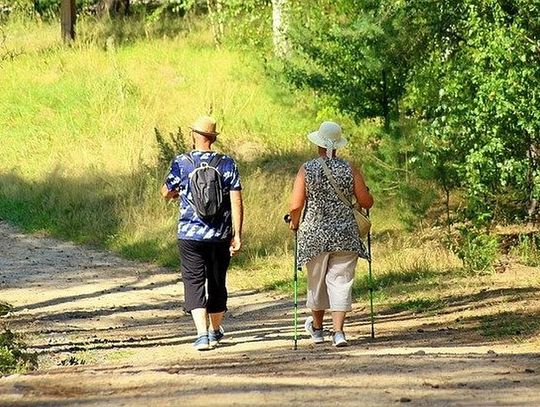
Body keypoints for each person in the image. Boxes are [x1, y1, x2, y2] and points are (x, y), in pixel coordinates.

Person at [161, 115, 243, 351]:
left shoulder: (182, 162)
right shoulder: (227, 163)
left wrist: (174, 193)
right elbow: (236, 201)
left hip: (190, 234)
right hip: (220, 234)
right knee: (217, 282)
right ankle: (215, 330)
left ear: (194, 136)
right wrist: (237, 234)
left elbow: (167, 192)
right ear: (212, 138)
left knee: (194, 281)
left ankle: (201, 335)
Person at [289, 121, 373, 347]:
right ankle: (338, 332)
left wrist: (295, 223)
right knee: (341, 282)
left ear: (318, 144)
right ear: (338, 146)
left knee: (316, 283)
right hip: (346, 234)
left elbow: (296, 206)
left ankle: (317, 330)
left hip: (314, 235)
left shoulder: (307, 169)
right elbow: (365, 201)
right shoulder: (350, 169)